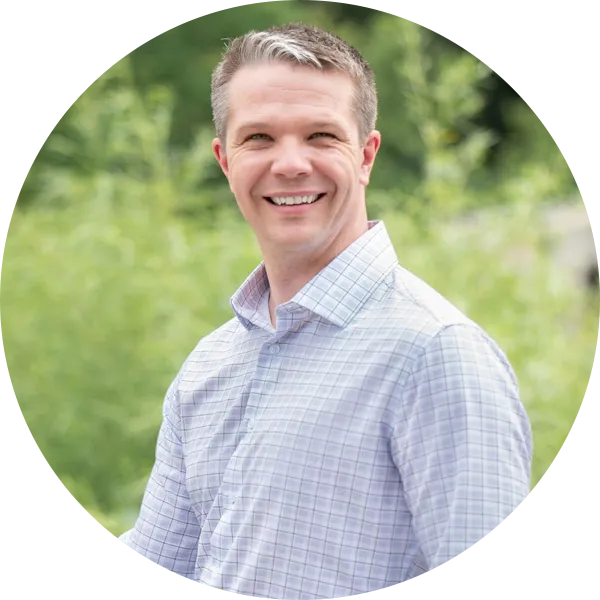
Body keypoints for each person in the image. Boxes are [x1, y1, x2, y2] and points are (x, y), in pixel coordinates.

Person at [118, 22, 533, 600]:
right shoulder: (209, 365)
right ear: (225, 160)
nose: (290, 163)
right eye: (259, 137)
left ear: (365, 156)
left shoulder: (436, 355)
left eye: (320, 136)